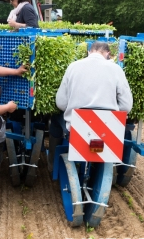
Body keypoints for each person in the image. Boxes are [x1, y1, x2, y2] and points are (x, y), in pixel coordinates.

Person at [47, 41, 133, 171]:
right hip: (107, 128)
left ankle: (52, 163)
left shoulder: (73, 66)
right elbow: (126, 106)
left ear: (89, 52)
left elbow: (60, 103)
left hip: (77, 126)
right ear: (108, 54)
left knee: (55, 120)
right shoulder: (116, 69)